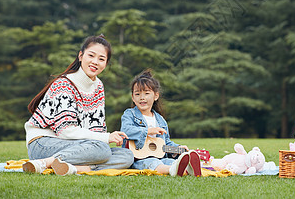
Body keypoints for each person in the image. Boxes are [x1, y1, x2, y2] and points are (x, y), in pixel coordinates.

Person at [22, 35, 134, 175]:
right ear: (81, 56)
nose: (95, 62)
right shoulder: (64, 84)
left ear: (106, 63)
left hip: (74, 145)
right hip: (43, 143)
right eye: (91, 55)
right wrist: (106, 138)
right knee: (102, 150)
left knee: (127, 155)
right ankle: (45, 163)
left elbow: (96, 130)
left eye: (101, 59)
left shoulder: (98, 86)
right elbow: (65, 131)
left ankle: (75, 168)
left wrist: (106, 139)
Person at [120, 69, 202, 177]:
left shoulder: (160, 120)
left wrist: (178, 148)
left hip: (160, 157)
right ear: (133, 98)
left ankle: (186, 167)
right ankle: (174, 170)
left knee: (169, 161)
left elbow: (165, 143)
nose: (142, 97)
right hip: (137, 159)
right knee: (153, 163)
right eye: (137, 94)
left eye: (147, 93)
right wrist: (148, 131)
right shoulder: (130, 114)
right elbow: (125, 131)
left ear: (156, 96)